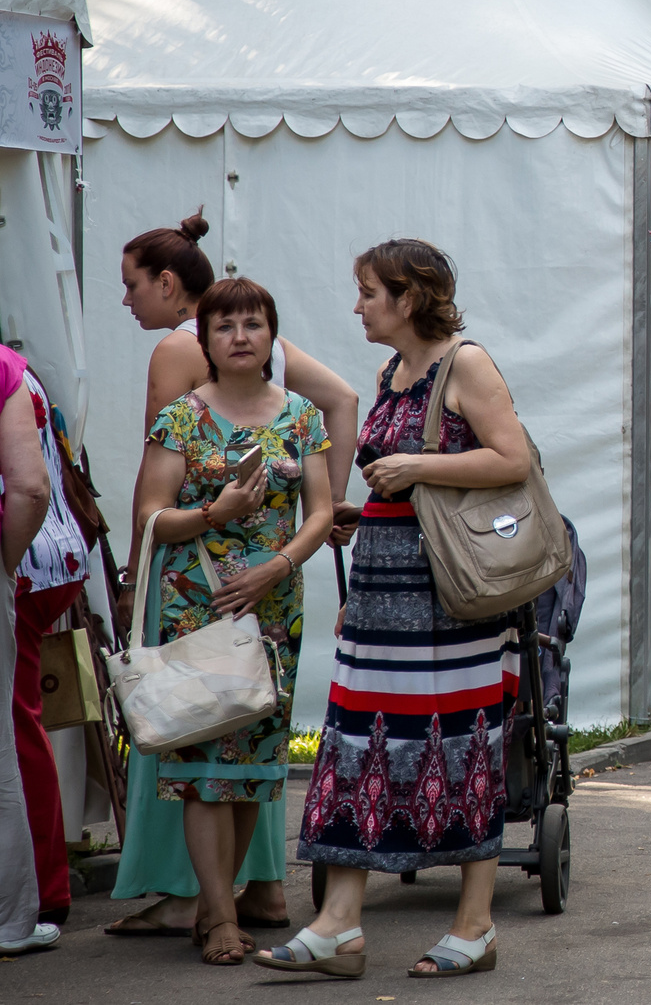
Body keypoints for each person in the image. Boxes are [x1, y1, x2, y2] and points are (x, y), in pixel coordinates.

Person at [263, 240, 535, 981]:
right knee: (356, 742)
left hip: (451, 599)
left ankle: (474, 925)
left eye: (368, 291)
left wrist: (415, 467)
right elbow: (413, 472)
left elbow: (513, 458)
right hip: (385, 593)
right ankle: (338, 925)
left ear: (408, 298)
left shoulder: (465, 362)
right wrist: (372, 506)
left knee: (460, 747)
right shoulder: (395, 369)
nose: (357, 304)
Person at [105, 213, 360, 940]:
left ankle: (239, 893)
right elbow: (155, 515)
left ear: (271, 338)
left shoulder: (303, 418)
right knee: (202, 757)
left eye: (255, 325)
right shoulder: (183, 419)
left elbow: (319, 512)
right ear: (206, 341)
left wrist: (279, 564)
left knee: (255, 762)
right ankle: (217, 915)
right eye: (227, 326)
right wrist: (214, 513)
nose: (241, 336)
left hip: (274, 603)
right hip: (198, 601)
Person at [10, 356, 85, 936]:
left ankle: (40, 883)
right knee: (22, 720)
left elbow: (29, 490)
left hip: (27, 564)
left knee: (16, 725)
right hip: (50, 558)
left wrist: (5, 567)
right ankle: (43, 883)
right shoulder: (18, 365)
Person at [1, 345, 61, 956]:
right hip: (25, 561)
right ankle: (15, 914)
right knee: (8, 739)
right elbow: (29, 486)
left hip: (31, 566)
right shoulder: (5, 369)